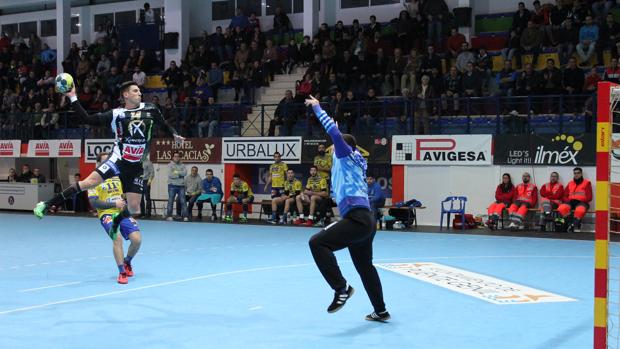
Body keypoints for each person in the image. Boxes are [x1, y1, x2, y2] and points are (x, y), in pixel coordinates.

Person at [33, 81, 184, 239]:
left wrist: (174, 134)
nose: (139, 93)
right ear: (126, 95)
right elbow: (87, 119)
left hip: (136, 166)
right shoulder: (116, 114)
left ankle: (116, 224)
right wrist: (72, 96)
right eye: (135, 91)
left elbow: (164, 124)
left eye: (139, 91)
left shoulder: (151, 109)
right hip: (117, 161)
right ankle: (46, 204)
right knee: (88, 183)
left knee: (134, 209)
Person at [305, 95, 389, 322]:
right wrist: (338, 131)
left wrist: (317, 108)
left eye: (335, 145)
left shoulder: (344, 155)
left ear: (344, 146)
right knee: (365, 268)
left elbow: (334, 135)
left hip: (357, 219)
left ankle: (341, 288)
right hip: (366, 221)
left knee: (316, 242)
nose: (332, 149)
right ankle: (380, 311)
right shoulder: (356, 160)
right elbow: (337, 137)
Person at [88, 152, 142, 284]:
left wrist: (129, 213)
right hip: (106, 214)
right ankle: (122, 272)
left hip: (122, 212)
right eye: (105, 162)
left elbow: (127, 194)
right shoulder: (93, 180)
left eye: (109, 161)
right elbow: (94, 202)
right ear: (98, 164)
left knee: (137, 240)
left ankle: (127, 262)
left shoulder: (118, 176)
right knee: (117, 238)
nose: (109, 164)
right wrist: (114, 204)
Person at [557, 167, 592, 232]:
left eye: (578, 173)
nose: (576, 175)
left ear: (581, 174)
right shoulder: (570, 183)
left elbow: (589, 197)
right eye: (575, 173)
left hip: (582, 202)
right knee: (561, 208)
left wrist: (581, 200)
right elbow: (564, 196)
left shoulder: (587, 183)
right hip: (570, 202)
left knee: (580, 210)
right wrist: (568, 201)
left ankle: (573, 226)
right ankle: (570, 223)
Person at [166, 152, 188, 222]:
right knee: (170, 201)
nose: (177, 157)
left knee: (183, 201)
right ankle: (169, 216)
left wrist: (176, 172)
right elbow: (170, 175)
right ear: (173, 157)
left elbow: (185, 173)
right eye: (175, 156)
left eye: (178, 156)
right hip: (172, 185)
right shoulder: (170, 165)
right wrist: (180, 174)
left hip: (181, 186)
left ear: (179, 157)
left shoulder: (183, 165)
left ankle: (185, 216)